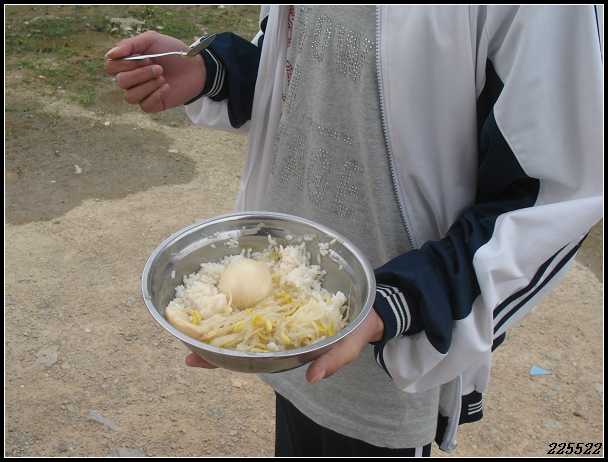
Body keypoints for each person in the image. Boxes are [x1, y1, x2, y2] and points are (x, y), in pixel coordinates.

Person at [106, 5, 603, 457]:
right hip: (289, 307)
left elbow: (556, 191)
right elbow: (307, 60)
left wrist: (403, 302)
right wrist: (216, 72)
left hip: (393, 344)